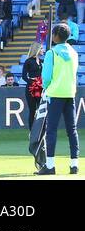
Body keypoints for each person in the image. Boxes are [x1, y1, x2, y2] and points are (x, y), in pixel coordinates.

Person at [35, 22, 79, 175]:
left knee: (51, 130)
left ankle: (50, 165)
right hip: (70, 93)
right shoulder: (74, 53)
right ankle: (74, 164)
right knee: (72, 130)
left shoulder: (51, 53)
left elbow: (46, 77)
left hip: (55, 94)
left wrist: (46, 88)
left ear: (54, 36)